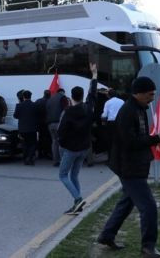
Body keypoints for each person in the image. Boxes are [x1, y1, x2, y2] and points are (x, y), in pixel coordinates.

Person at [97, 77, 160, 258]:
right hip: (129, 167)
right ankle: (148, 248)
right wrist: (155, 139)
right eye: (150, 95)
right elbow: (130, 142)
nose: (152, 98)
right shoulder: (128, 112)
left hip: (135, 164)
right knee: (149, 207)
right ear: (139, 93)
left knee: (127, 202)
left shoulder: (139, 109)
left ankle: (107, 235)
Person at [57, 63, 98, 215]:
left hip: (71, 149)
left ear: (71, 96)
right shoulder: (88, 107)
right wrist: (94, 75)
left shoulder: (69, 112)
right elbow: (93, 93)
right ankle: (77, 203)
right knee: (74, 175)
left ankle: (78, 198)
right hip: (84, 147)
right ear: (82, 96)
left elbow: (61, 132)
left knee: (62, 175)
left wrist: (62, 145)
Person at [13, 90, 39, 165]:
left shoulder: (19, 105)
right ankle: (30, 158)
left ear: (23, 97)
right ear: (31, 96)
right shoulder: (35, 105)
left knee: (24, 144)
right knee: (32, 144)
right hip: (33, 128)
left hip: (22, 129)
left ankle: (25, 159)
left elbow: (15, 116)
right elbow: (38, 115)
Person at [46, 88, 69, 167]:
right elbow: (66, 110)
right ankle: (63, 161)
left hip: (50, 124)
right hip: (59, 123)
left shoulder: (50, 99)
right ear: (62, 92)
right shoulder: (62, 97)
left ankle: (55, 161)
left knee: (54, 142)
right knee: (62, 142)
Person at [101, 89, 124, 155]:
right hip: (120, 122)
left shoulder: (108, 102)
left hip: (111, 123)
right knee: (120, 139)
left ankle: (111, 158)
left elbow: (104, 115)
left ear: (109, 95)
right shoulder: (122, 101)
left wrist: (101, 117)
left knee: (110, 140)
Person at [34, 90, 52, 159]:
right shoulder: (51, 101)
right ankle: (47, 152)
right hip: (48, 122)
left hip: (39, 123)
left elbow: (34, 111)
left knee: (41, 138)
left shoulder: (38, 101)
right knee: (49, 138)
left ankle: (40, 153)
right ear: (50, 94)